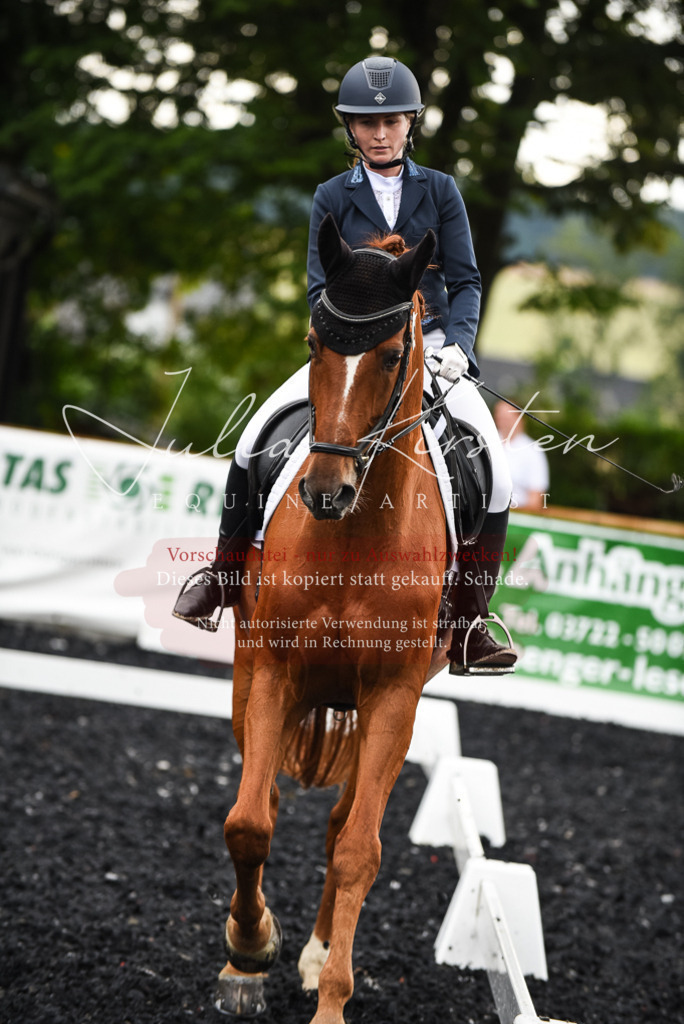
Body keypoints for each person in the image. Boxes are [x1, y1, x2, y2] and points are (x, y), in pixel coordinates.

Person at [173, 55, 517, 674]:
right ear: (350, 129)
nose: (379, 133)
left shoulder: (440, 190)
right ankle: (222, 576)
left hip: (427, 349)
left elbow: (465, 281)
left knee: (497, 469)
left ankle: (470, 620)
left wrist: (456, 350)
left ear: (410, 123)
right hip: (343, 348)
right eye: (366, 122)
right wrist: (336, 341)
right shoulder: (331, 196)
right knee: (252, 440)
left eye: (390, 121)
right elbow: (316, 285)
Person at [494, 400, 550, 512]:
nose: (502, 421)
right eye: (500, 416)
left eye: (507, 417)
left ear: (520, 419)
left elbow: (536, 499)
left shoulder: (533, 451)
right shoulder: (486, 443)